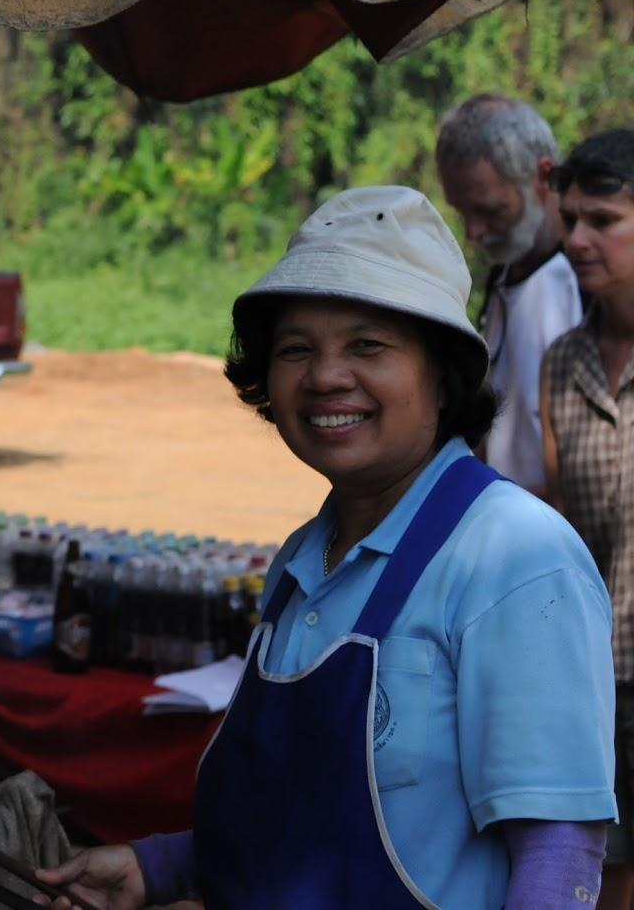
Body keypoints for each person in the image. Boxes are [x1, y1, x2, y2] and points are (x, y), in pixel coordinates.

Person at [39, 187, 615, 909]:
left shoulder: (516, 557)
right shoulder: (297, 563)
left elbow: (558, 850)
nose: (325, 376)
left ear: (441, 374)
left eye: (367, 344)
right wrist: (157, 867)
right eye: (296, 348)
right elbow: (300, 819)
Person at [540, 129, 634, 909]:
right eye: (570, 219)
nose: (575, 240)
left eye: (602, 219)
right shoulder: (562, 362)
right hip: (596, 676)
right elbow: (561, 521)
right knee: (604, 869)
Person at [436, 95, 582, 496]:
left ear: (544, 177)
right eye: (462, 213)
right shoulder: (502, 277)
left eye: (490, 211)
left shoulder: (584, 282)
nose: (474, 233)